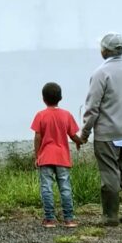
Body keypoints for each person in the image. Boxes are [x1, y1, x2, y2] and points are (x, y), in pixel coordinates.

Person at [79, 32, 122, 226]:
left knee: (109, 173)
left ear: (105, 50)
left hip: (107, 133)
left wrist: (85, 132)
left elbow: (92, 107)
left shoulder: (101, 73)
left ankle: (110, 216)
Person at [31, 82, 84, 228]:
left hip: (46, 156)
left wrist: (37, 156)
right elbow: (72, 135)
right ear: (60, 97)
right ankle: (69, 218)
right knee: (65, 187)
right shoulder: (66, 115)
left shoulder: (40, 115)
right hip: (62, 157)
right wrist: (80, 141)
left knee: (46, 188)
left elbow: (37, 137)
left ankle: (50, 219)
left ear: (43, 98)